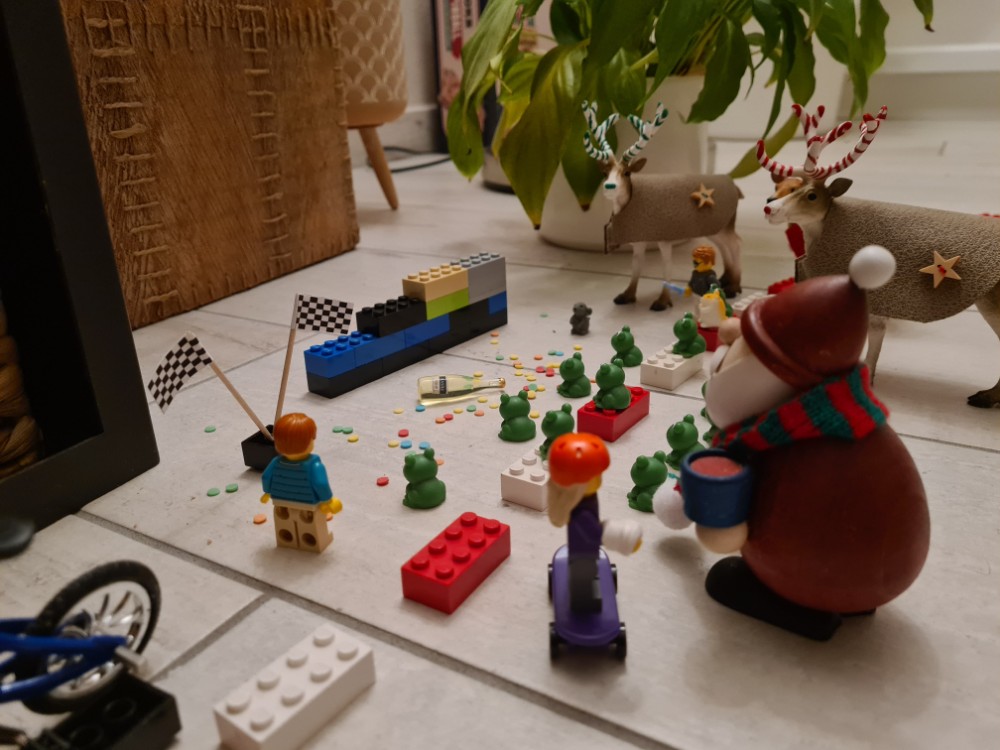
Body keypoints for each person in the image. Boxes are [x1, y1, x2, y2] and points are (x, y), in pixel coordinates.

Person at [261, 413, 342, 553]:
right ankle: (313, 544)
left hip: (280, 501)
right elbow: (320, 484)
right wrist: (327, 500)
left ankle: (287, 540)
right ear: (308, 442)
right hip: (308, 502)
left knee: (285, 525)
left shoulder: (276, 462)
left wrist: (267, 492)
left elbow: (266, 477)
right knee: (311, 527)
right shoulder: (313, 465)